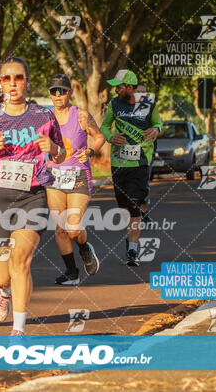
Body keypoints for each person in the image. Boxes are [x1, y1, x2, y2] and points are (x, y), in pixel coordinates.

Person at [0, 56, 66, 336]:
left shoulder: (44, 116)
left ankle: (18, 331)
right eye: (6, 78)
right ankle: (3, 291)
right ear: (0, 82)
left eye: (18, 77)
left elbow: (61, 153)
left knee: (21, 262)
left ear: (27, 81)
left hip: (32, 196)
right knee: (2, 275)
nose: (12, 83)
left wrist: (52, 147)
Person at [46, 74, 105, 285]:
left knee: (72, 227)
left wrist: (89, 151)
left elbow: (99, 138)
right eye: (54, 91)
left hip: (78, 174)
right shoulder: (45, 118)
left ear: (69, 92)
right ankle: (72, 273)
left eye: (62, 91)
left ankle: (84, 247)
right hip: (53, 175)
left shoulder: (80, 116)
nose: (58, 95)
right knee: (60, 228)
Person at [100, 70, 162, 266]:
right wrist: (110, 137)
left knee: (135, 207)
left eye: (119, 86)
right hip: (119, 162)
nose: (116, 89)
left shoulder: (149, 105)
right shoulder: (113, 104)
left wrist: (156, 130)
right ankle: (131, 235)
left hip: (141, 161)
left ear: (129, 87)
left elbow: (158, 123)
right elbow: (104, 126)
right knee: (124, 208)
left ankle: (132, 251)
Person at [136, 83, 154, 223]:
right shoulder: (125, 109)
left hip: (146, 152)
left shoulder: (150, 108)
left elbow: (158, 126)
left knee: (144, 183)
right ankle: (134, 211)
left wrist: (155, 131)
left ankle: (144, 211)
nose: (142, 95)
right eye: (138, 92)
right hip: (127, 153)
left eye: (144, 92)